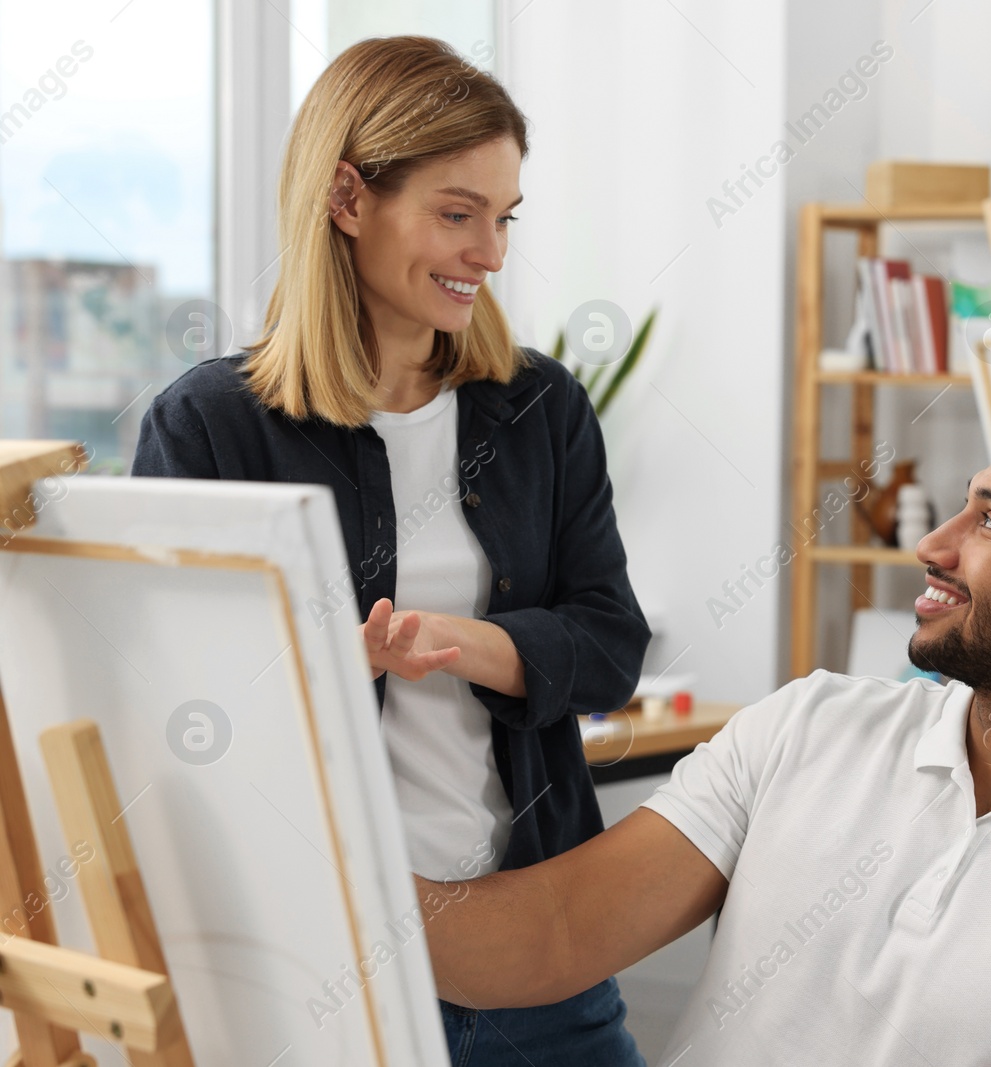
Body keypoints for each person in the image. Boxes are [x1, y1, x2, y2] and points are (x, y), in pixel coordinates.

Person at [416, 418, 991, 1066]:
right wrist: (317, 872)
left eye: (989, 525)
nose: (933, 544)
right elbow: (554, 932)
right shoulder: (808, 726)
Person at [131, 36, 651, 1067]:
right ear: (347, 198)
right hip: (320, 956)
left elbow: (610, 643)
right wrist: (327, 663)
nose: (492, 254)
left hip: (532, 940)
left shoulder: (540, 407)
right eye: (457, 214)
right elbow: (172, 713)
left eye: (503, 219)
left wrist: (470, 642)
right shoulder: (208, 427)